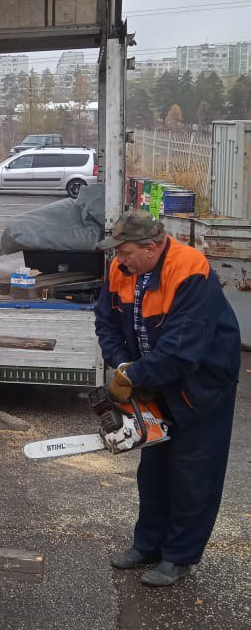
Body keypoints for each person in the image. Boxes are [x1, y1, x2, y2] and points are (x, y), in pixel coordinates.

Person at [94, 210, 240, 587]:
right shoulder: (121, 269)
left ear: (152, 247)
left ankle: (179, 556)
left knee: (193, 473)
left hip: (200, 384)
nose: (119, 259)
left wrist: (134, 376)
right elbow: (106, 322)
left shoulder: (190, 271)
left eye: (125, 251)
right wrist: (122, 364)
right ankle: (148, 545)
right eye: (117, 252)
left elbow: (182, 350)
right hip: (154, 378)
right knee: (154, 471)